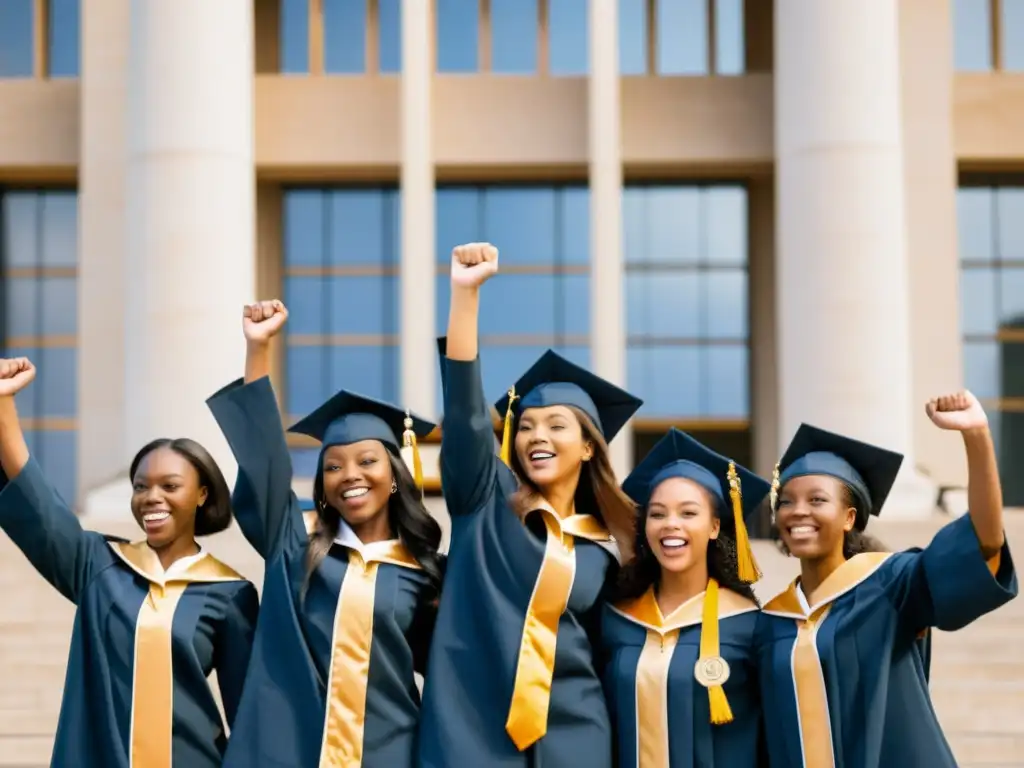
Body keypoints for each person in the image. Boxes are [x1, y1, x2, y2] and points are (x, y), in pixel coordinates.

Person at [417, 243, 641, 768]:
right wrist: (465, 295)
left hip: (576, 735)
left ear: (589, 447)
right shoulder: (484, 505)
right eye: (527, 427)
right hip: (471, 734)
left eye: (556, 426)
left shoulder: (607, 552)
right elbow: (468, 414)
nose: (536, 436)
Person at [207, 301, 443, 768]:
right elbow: (264, 460)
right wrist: (259, 349)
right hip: (294, 752)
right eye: (332, 466)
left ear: (395, 474)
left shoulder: (424, 571)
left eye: (367, 461)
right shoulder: (296, 550)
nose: (349, 474)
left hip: (391, 752)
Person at [0, 357, 257, 768]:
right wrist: (4, 403)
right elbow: (42, 509)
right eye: (141, 487)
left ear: (202, 494)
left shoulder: (230, 593)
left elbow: (247, 716)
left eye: (170, 486)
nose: (151, 497)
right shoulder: (100, 567)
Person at [758, 391, 1018, 768]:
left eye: (817, 500)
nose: (798, 511)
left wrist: (976, 435)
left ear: (849, 518)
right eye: (786, 501)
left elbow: (985, 542)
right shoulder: (771, 622)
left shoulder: (892, 585)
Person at [602, 428, 770, 767]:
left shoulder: (750, 626)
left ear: (714, 527)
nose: (670, 525)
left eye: (688, 513)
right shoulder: (615, 619)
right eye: (658, 513)